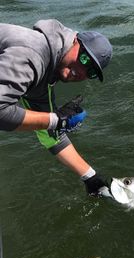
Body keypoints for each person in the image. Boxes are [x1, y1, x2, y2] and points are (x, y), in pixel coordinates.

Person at [0, 19, 113, 197]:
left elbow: (50, 136)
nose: (81, 72)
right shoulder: (33, 54)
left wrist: (90, 177)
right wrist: (56, 119)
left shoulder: (46, 76)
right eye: (84, 59)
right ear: (75, 41)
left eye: (90, 72)